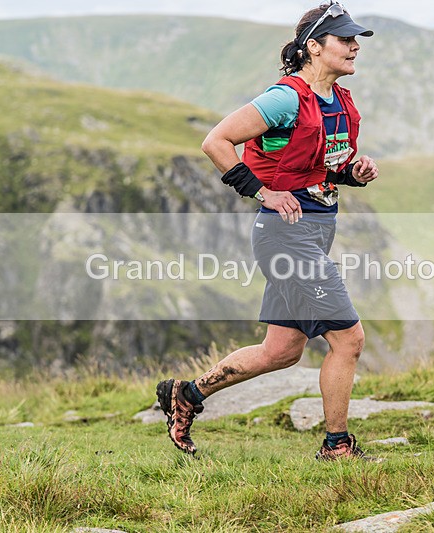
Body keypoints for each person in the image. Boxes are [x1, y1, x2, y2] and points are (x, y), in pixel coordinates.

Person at [157, 1, 379, 461]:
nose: (355, 47)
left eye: (356, 39)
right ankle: (337, 445)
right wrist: (262, 193)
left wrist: (351, 174)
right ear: (314, 47)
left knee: (281, 351)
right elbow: (215, 142)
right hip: (286, 234)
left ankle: (187, 395)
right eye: (345, 39)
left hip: (316, 228)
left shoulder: (338, 100)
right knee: (349, 339)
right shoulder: (285, 97)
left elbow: (313, 168)